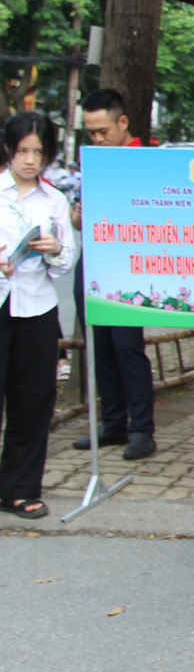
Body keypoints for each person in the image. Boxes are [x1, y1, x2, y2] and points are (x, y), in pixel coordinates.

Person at [0, 113, 77, 520]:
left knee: (33, 399)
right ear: (9, 149)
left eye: (38, 152)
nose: (30, 160)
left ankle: (20, 488)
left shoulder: (54, 200)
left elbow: (66, 263)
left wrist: (54, 250)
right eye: (22, 150)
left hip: (37, 307)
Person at [72, 89, 157, 461]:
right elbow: (78, 215)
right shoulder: (91, 161)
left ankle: (142, 429)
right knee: (99, 345)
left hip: (127, 264)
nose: (97, 138)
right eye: (90, 132)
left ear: (123, 123)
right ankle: (112, 424)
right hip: (93, 260)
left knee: (126, 347)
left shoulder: (145, 160)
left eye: (102, 130)